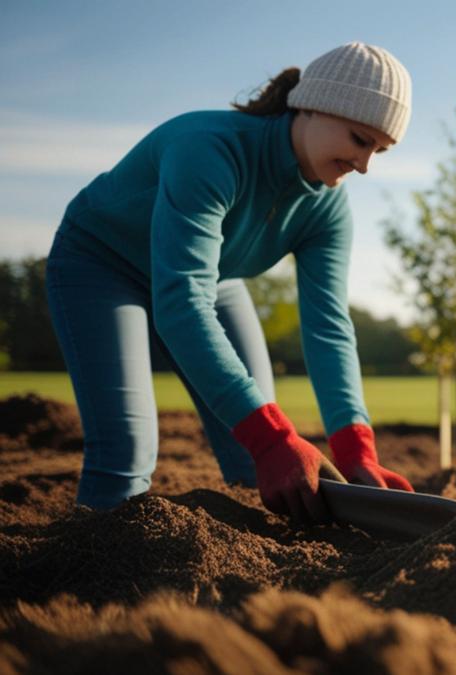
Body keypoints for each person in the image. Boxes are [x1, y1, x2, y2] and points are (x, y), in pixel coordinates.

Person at [45, 42, 415, 522]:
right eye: (359, 140)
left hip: (211, 279)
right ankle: (88, 573)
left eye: (380, 151)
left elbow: (328, 328)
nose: (365, 165)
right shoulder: (209, 148)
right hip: (102, 266)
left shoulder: (329, 207)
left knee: (253, 447)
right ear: (312, 105)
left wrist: (356, 448)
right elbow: (181, 303)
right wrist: (274, 438)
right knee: (127, 449)